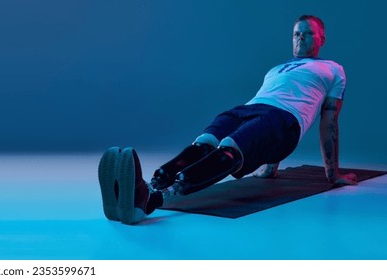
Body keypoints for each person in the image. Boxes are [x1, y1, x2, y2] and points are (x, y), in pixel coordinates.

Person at [98, 15, 358, 225]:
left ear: (322, 38)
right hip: (249, 109)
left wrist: (332, 174)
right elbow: (265, 127)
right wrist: (270, 167)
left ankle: (152, 199)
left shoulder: (333, 69)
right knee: (204, 143)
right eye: (296, 34)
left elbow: (329, 120)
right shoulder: (276, 69)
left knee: (230, 150)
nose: (301, 38)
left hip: (284, 120)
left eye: (308, 33)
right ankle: (147, 185)